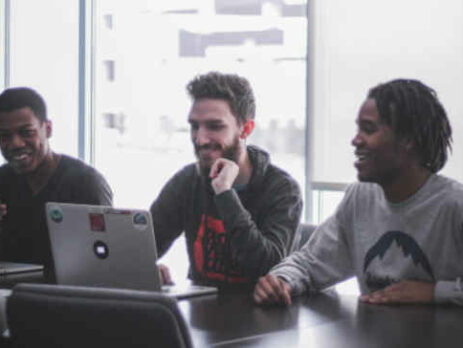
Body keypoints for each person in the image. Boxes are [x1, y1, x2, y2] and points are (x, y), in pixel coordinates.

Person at [254, 78, 463, 306]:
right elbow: (309, 263)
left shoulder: (454, 204)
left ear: (408, 140)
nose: (355, 140)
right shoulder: (360, 197)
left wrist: (434, 292)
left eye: (369, 129)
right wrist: (282, 281)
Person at [150, 72, 302, 288]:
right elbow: (145, 247)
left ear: (245, 129)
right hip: (199, 314)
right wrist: (144, 269)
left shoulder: (282, 189)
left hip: (263, 318)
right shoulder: (188, 181)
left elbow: (268, 270)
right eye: (195, 126)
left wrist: (225, 193)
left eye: (214, 127)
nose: (200, 139)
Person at [0, 87, 113, 279]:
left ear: (48, 129)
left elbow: (106, 260)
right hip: (9, 299)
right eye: (4, 136)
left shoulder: (84, 183)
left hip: (65, 302)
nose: (16, 144)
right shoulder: (3, 180)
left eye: (26, 132)